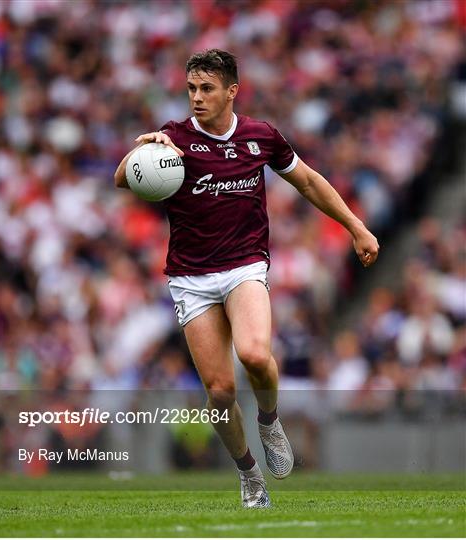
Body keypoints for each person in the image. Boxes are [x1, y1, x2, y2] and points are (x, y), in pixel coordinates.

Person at [114, 49, 379, 508]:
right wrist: (144, 151)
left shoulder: (261, 136)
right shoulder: (173, 138)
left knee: (255, 354)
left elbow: (310, 182)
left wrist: (356, 227)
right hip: (191, 277)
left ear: (232, 91)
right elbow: (122, 178)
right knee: (219, 391)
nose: (196, 98)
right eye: (191, 88)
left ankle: (270, 421)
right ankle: (248, 474)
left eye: (207, 89)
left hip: (244, 265)